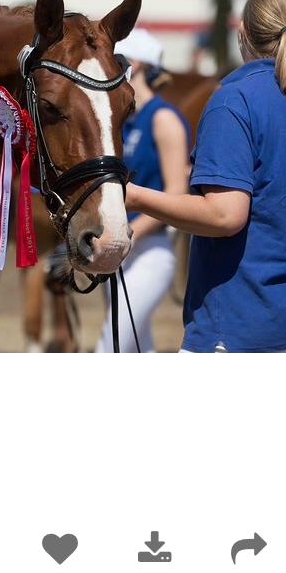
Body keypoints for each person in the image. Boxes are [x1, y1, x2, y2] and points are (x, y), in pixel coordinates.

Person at [126, 0, 286, 353]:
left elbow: (225, 215)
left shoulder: (234, 102)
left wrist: (135, 197)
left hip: (244, 325)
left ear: (244, 33)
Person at [95, 29, 191, 352]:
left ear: (134, 64)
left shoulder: (163, 119)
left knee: (112, 347)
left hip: (151, 252)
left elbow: (178, 195)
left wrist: (127, 233)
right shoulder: (124, 120)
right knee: (136, 347)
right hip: (119, 252)